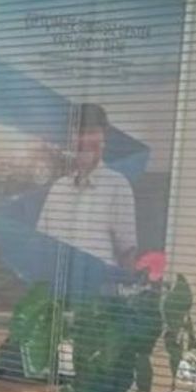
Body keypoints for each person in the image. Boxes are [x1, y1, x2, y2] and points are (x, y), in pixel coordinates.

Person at [36, 103, 138, 270]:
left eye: (91, 132)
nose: (83, 140)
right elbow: (41, 247)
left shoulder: (117, 186)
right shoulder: (58, 189)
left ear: (104, 137)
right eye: (78, 133)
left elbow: (127, 254)